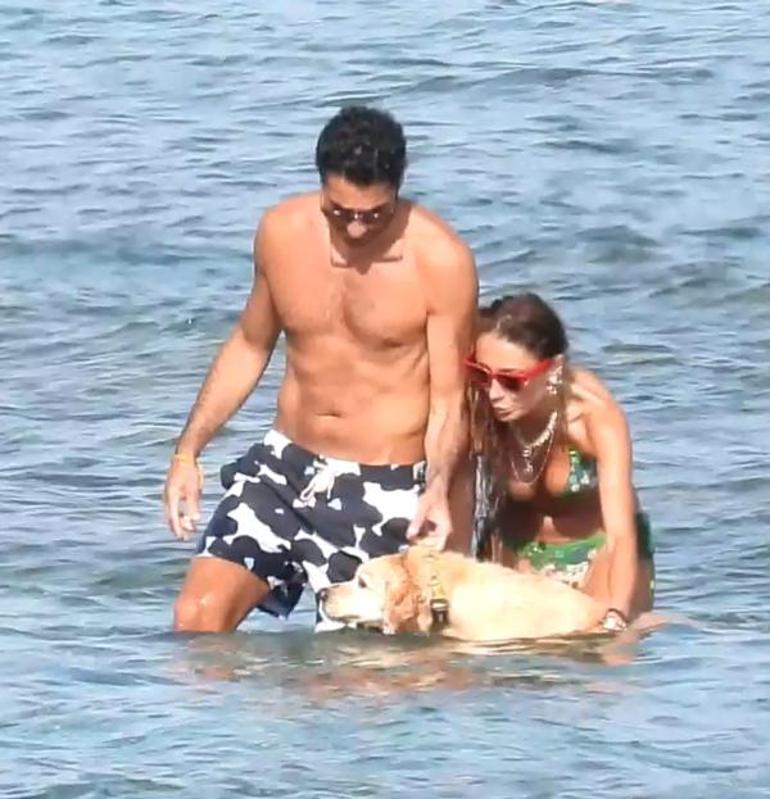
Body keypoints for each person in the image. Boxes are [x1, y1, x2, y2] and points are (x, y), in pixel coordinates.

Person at [163, 105, 478, 633]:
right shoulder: (281, 233)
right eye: (339, 211)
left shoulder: (440, 261)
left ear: (398, 189)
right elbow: (249, 344)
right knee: (196, 619)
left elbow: (450, 400)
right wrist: (188, 451)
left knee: (346, 672)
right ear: (321, 184)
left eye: (373, 215)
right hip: (285, 471)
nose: (355, 228)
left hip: (384, 487)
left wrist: (439, 489)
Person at [468, 292, 654, 631]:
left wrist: (617, 613)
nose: (494, 393)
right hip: (516, 553)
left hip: (599, 554)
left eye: (511, 381)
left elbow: (620, 533)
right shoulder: (480, 404)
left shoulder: (592, 417)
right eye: (482, 374)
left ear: (553, 369)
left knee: (602, 645)